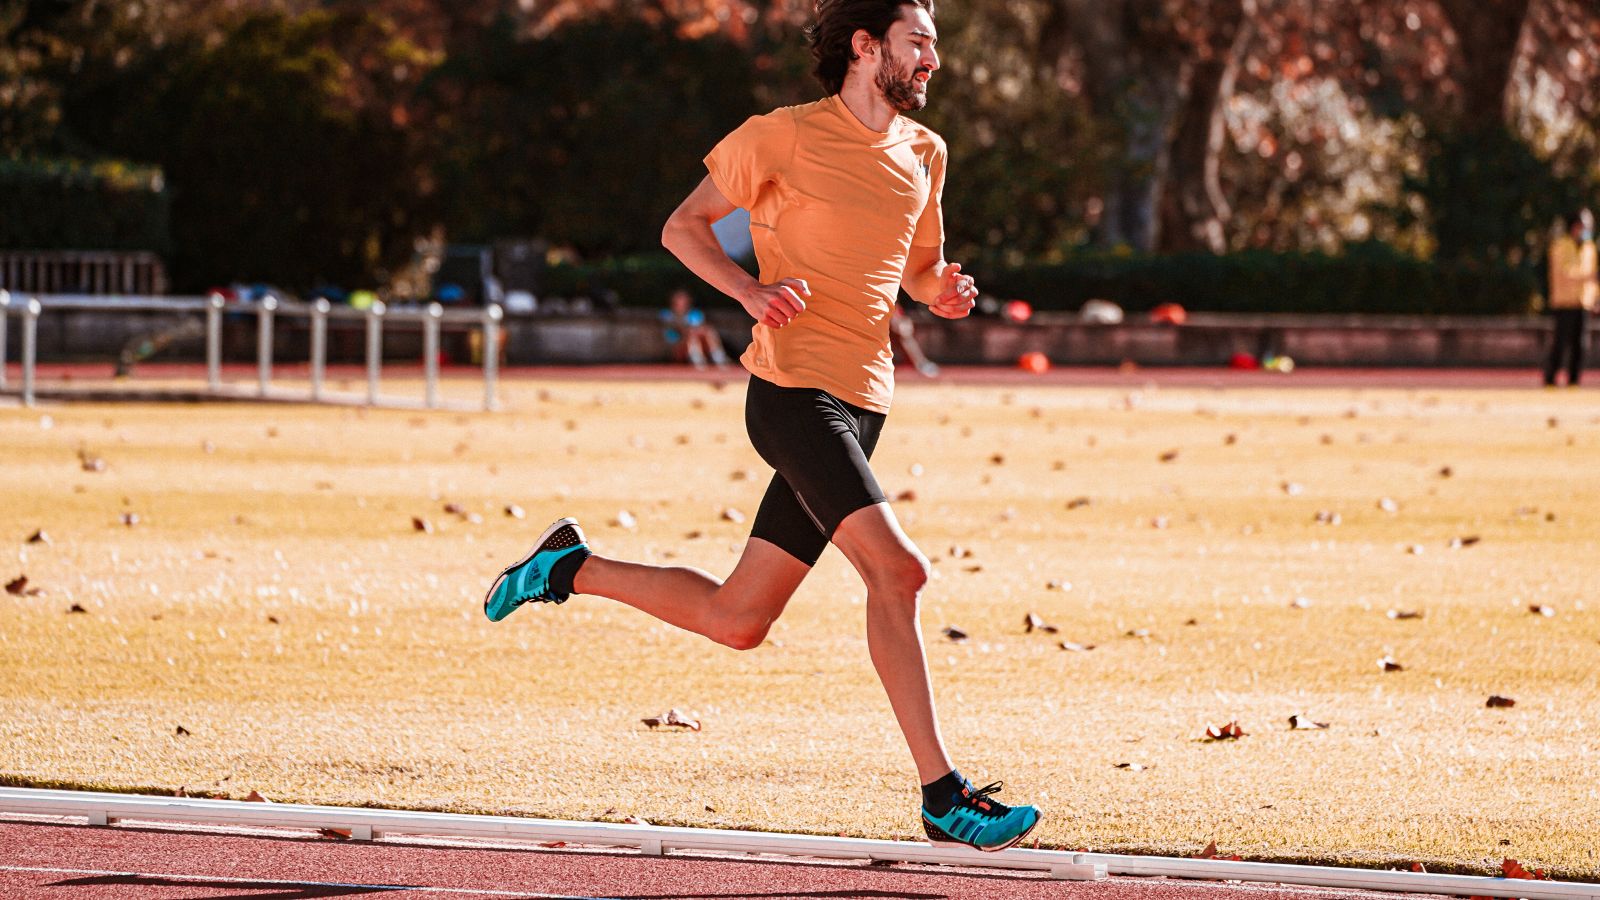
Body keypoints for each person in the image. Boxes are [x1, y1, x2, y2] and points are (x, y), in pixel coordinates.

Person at [483, 0, 1040, 853]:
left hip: (866, 402)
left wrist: (943, 293)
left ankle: (569, 567)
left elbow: (919, 270)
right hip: (792, 392)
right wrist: (747, 292)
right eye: (918, 41)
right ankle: (943, 795)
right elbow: (683, 228)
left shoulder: (927, 153)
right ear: (866, 46)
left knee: (739, 620)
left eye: (934, 44)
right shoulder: (781, 136)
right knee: (901, 572)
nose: (934, 58)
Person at [1544, 209, 1597, 387]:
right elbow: (1563, 273)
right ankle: (1550, 379)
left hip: (1583, 303)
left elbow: (1594, 278)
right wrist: (1587, 277)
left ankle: (1574, 381)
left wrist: (1596, 298)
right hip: (1564, 303)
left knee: (1580, 346)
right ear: (1574, 226)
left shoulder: (1589, 248)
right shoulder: (1560, 246)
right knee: (1560, 344)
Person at [660, 287, 731, 368]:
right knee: (693, 334)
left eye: (684, 300)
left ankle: (718, 357)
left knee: (708, 331)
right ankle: (698, 360)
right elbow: (672, 333)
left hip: (696, 343)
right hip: (677, 346)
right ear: (673, 301)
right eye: (679, 300)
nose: (682, 303)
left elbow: (699, 328)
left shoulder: (695, 313)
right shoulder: (667, 314)